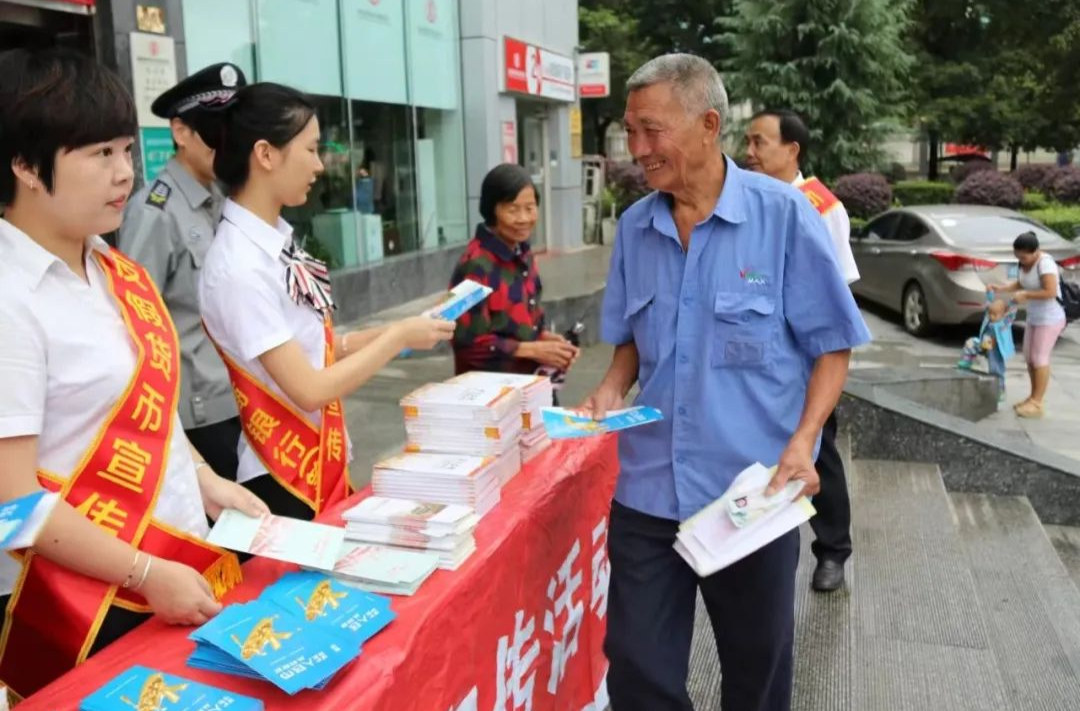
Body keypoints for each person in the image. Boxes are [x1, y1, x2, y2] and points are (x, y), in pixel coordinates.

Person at [581, 54, 870, 711]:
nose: (638, 149)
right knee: (637, 669)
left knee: (757, 674)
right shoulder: (635, 229)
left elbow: (833, 345)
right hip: (649, 489)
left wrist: (805, 440)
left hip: (750, 495)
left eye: (653, 131)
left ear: (709, 124)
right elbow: (630, 340)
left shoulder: (784, 217)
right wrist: (608, 389)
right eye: (630, 131)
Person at [0, 48, 267, 700]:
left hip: (164, 569)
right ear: (26, 166)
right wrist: (146, 571)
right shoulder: (10, 299)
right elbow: (13, 505)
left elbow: (147, 411)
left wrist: (206, 482)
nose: (125, 174)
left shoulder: (112, 267)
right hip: (78, 602)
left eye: (126, 150)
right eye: (100, 155)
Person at [199, 82, 455, 520]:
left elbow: (314, 348)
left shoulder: (274, 242)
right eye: (311, 149)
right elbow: (310, 389)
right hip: (281, 477)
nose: (319, 165)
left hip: (319, 458)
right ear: (266, 154)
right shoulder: (239, 267)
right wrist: (396, 338)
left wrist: (414, 325)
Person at [744, 109, 860, 593]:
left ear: (792, 150)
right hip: (758, 351)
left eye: (759, 142)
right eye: (747, 141)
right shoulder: (749, 197)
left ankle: (832, 550)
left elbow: (837, 293)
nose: (749, 152)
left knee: (819, 450)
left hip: (807, 357)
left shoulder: (821, 206)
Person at [118, 63, 247, 482]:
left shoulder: (221, 199)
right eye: (215, 131)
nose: (226, 144)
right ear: (180, 132)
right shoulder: (155, 212)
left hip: (239, 397)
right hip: (197, 414)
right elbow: (134, 323)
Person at [450, 163, 579, 383]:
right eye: (512, 209)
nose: (523, 219)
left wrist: (549, 343)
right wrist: (531, 350)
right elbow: (467, 346)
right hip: (489, 395)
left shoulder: (523, 253)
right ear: (492, 210)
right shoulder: (475, 265)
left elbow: (523, 323)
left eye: (529, 208)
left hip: (530, 388)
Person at [990, 230, 1067, 418]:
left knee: (1040, 358)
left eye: (1024, 257)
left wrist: (1026, 296)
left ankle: (1037, 402)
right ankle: (1032, 396)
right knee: (1029, 357)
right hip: (1034, 317)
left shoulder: (1046, 264)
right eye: (1018, 257)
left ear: (1035, 252)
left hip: (1050, 318)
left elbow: (1049, 292)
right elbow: (1022, 283)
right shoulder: (1025, 263)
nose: (1021, 261)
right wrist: (1001, 288)